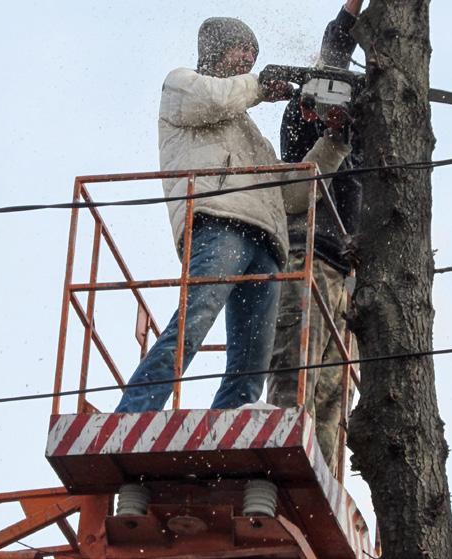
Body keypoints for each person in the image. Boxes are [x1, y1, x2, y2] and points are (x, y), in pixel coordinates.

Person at [116, 17, 352, 413]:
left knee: (251, 363)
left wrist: (334, 141)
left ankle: (231, 423)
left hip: (267, 242)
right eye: (241, 48)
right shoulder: (182, 86)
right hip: (220, 223)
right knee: (193, 323)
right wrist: (260, 86)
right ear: (216, 49)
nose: (248, 58)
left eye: (253, 54)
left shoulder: (251, 136)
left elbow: (292, 194)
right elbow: (214, 99)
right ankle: (135, 410)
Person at [267, 0, 364, 471]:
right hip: (307, 254)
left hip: (347, 277)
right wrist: (352, 11)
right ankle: (282, 464)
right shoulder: (305, 113)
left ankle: (322, 479)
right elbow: (334, 52)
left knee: (332, 394)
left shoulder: (360, 134)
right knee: (296, 375)